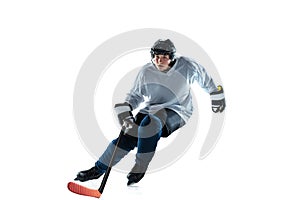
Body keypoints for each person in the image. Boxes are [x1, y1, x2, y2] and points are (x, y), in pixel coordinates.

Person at [74, 39, 226, 186]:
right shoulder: (146, 71)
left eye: (164, 57)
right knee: (127, 137)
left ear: (172, 58)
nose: (159, 61)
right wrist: (126, 111)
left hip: (178, 111)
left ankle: (140, 166)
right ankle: (99, 169)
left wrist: (216, 96)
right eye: (156, 57)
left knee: (150, 123)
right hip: (150, 109)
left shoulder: (187, 66)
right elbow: (135, 96)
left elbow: (206, 80)